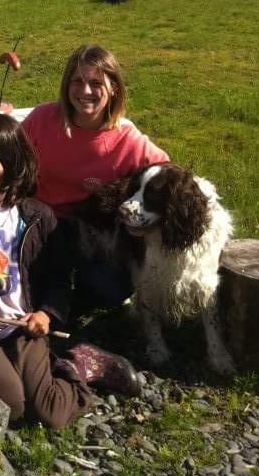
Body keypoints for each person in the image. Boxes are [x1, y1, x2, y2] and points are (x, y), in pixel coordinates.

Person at [0, 113, 139, 428]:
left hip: (24, 328)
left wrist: (46, 314)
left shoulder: (39, 217)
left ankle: (77, 365)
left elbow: (59, 278)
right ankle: (21, 374)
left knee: (50, 414)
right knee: (11, 407)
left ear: (14, 160)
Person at [22, 44, 169, 307]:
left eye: (96, 83)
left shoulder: (128, 139)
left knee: (110, 290)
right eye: (77, 81)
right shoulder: (42, 118)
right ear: (67, 86)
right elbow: (10, 160)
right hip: (38, 220)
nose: (85, 91)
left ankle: (73, 295)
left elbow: (166, 174)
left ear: (114, 88)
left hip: (94, 227)